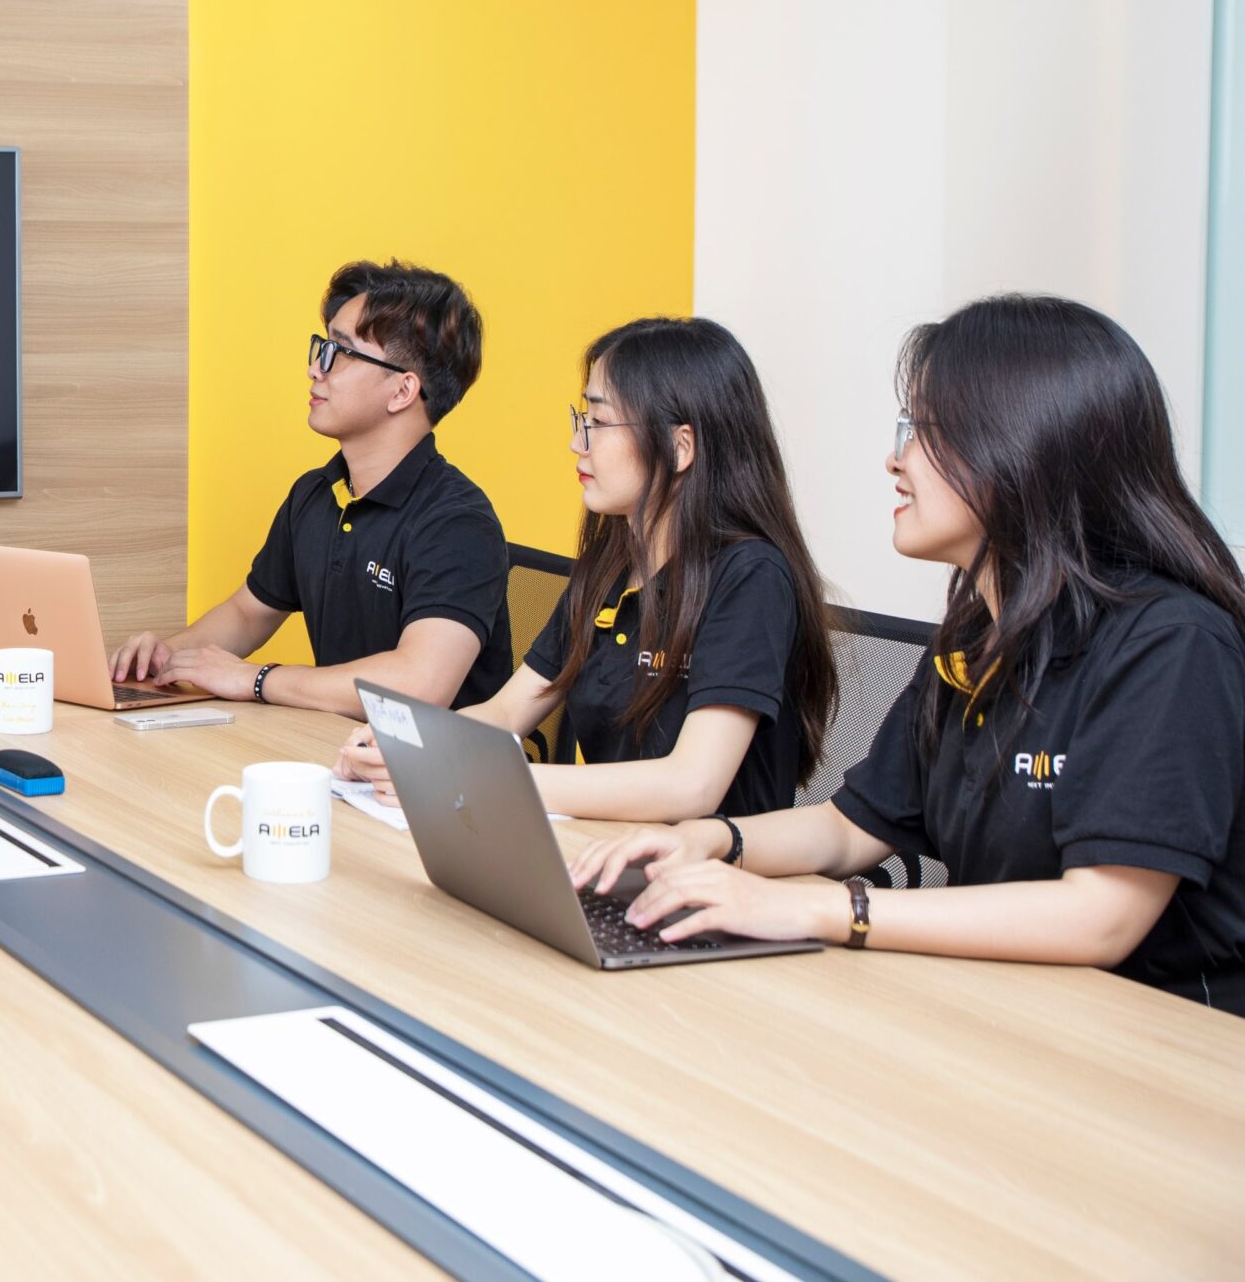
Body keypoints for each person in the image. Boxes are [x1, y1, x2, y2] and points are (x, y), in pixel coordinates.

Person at [575, 296, 1245, 1012]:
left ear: (1021, 447)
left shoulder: (1173, 644)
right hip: (1007, 1007)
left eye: (922, 432)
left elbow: (1101, 915)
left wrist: (825, 910)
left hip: (1159, 1036)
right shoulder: (977, 636)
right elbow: (849, 828)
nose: (895, 460)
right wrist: (711, 842)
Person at [337, 318, 836, 820]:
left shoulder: (751, 576)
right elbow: (507, 711)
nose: (578, 443)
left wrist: (470, 775)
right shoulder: (609, 569)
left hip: (708, 864)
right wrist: (410, 743)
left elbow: (691, 785)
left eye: (599, 422)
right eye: (583, 419)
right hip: (605, 846)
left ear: (680, 446)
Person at [112, 259, 510, 717]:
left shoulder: (457, 523)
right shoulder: (318, 494)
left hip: (433, 762)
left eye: (341, 352)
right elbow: (248, 613)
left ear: (402, 392)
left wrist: (256, 679)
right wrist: (163, 657)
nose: (315, 369)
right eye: (323, 346)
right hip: (339, 747)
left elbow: (419, 685)